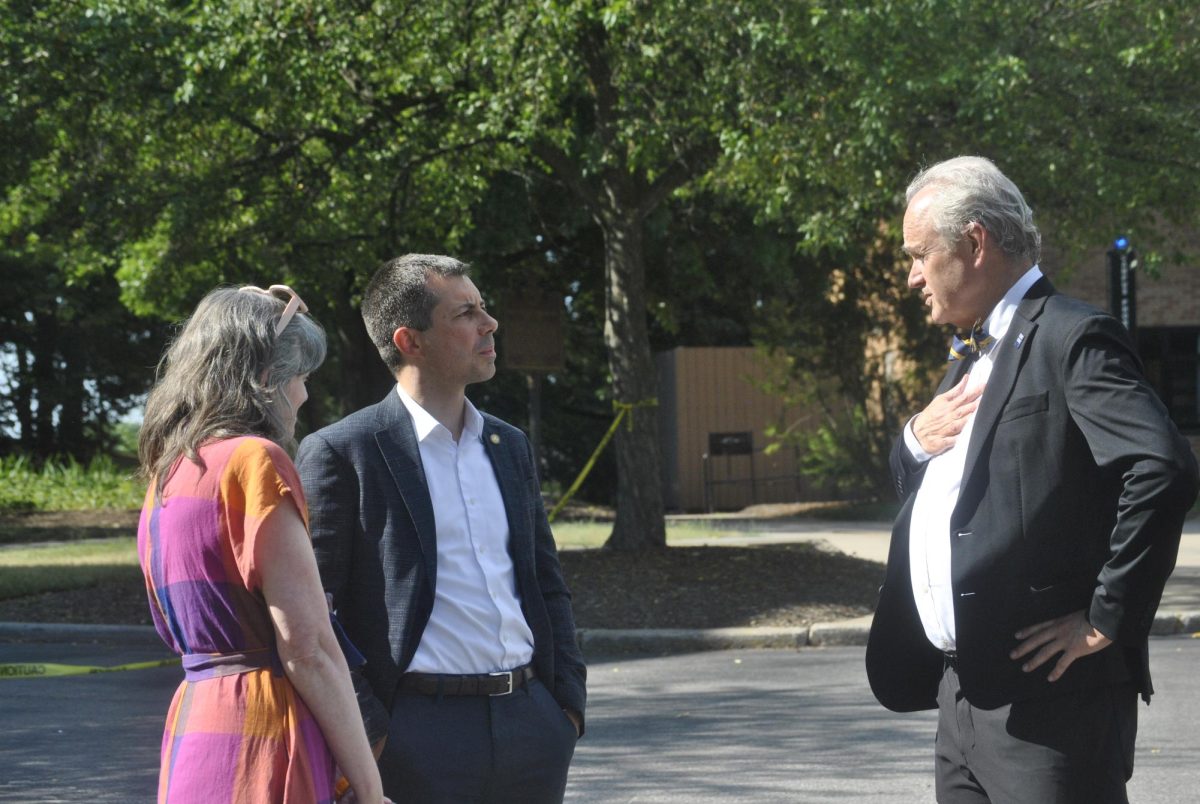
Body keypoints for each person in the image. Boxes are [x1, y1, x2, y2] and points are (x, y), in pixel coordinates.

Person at [865, 156, 1199, 803]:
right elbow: (939, 489)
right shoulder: (967, 356)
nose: (910, 277)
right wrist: (910, 440)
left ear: (974, 243)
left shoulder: (1074, 339)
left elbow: (1161, 465)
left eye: (917, 255)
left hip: (1051, 710)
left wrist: (1107, 616)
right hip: (959, 703)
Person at [296, 254, 586, 802]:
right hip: (415, 739)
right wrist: (374, 734)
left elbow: (547, 582)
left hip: (533, 727)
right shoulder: (343, 452)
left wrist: (565, 708)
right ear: (410, 340)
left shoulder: (509, 445)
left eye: (484, 308)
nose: (489, 323)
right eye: (466, 313)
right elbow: (316, 613)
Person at [137, 284, 386, 803]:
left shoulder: (169, 475)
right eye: (301, 377)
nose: (304, 395)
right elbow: (310, 648)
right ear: (268, 379)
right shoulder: (255, 462)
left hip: (195, 728)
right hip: (264, 735)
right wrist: (369, 786)